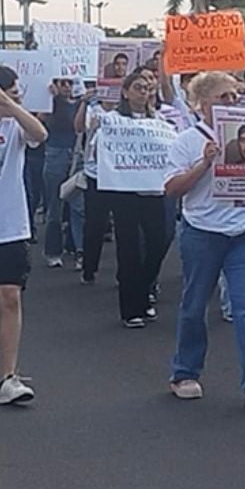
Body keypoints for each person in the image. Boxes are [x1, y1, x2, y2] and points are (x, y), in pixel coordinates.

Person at [164, 71, 245, 412]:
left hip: (243, 232)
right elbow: (171, 189)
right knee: (195, 305)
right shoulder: (186, 140)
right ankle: (185, 372)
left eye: (235, 97)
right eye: (223, 98)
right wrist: (205, 162)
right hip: (202, 232)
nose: (232, 102)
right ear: (202, 105)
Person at [0, 65, 48, 404]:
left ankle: (9, 376)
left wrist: (11, 107)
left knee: (10, 296)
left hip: (11, 225)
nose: (18, 94)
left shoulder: (15, 125)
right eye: (12, 90)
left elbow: (39, 135)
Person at [102, 68, 170, 328]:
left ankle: (143, 290)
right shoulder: (112, 119)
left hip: (153, 191)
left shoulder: (161, 121)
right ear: (125, 92)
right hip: (124, 193)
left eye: (147, 88)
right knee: (128, 249)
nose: (144, 92)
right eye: (138, 88)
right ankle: (131, 309)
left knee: (158, 242)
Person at [75, 89, 115, 285]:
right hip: (96, 174)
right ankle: (89, 267)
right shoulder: (93, 109)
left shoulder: (124, 112)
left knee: (125, 226)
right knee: (94, 224)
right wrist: (83, 103)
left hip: (120, 176)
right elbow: (79, 127)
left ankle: (125, 272)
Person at [40, 78, 79, 269]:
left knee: (78, 206)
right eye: (62, 83)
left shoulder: (81, 104)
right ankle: (53, 251)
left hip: (77, 153)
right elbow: (41, 122)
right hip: (56, 154)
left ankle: (76, 247)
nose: (66, 87)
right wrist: (52, 99)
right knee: (55, 206)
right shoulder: (49, 104)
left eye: (69, 83)